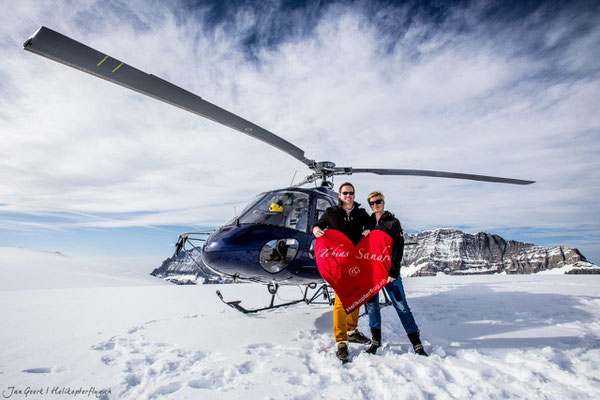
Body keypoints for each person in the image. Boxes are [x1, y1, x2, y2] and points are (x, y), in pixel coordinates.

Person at [312, 182, 374, 362]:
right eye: (345, 193)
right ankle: (341, 341)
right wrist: (316, 229)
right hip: (338, 262)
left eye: (351, 193)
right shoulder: (331, 212)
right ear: (339, 195)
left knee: (356, 297)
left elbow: (372, 225)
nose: (348, 195)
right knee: (340, 301)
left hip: (357, 261)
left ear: (354, 195)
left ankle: (351, 331)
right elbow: (317, 225)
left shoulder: (361, 213)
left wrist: (369, 229)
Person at [364, 190, 428, 356]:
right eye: (372, 203)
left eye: (378, 202)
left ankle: (416, 343)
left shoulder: (393, 222)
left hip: (389, 273)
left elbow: (398, 249)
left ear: (383, 203)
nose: (375, 205)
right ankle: (375, 341)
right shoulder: (367, 223)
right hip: (372, 273)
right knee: (372, 307)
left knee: (401, 306)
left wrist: (393, 271)